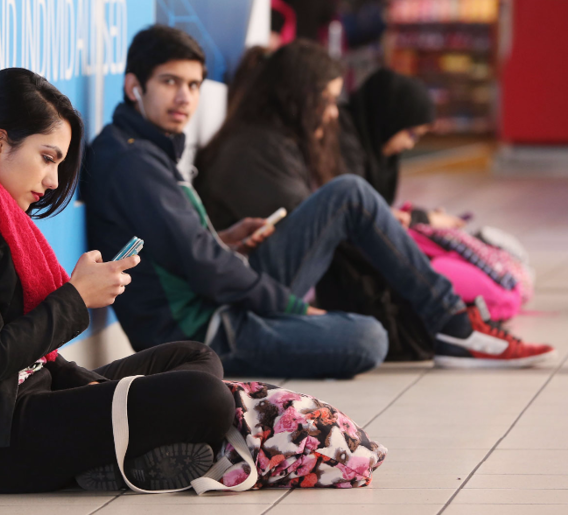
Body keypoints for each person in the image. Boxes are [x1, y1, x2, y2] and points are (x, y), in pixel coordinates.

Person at [83, 27, 555, 379]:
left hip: (218, 299)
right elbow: (202, 266)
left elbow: (183, 249)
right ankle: (454, 326)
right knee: (369, 337)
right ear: (133, 87)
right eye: (170, 82)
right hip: (202, 331)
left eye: (193, 84)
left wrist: (226, 239)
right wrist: (292, 306)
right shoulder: (131, 162)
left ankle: (453, 324)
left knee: (348, 193)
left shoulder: (146, 148)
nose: (184, 97)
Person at [0, 68, 234, 494]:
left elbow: (33, 361)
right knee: (205, 398)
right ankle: (121, 455)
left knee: (195, 357)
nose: (53, 181)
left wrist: (91, 387)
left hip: (26, 398)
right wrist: (77, 298)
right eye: (48, 158)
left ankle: (116, 458)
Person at [338, 67, 465, 229]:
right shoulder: (343, 142)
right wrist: (422, 219)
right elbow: (357, 216)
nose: (409, 144)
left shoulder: (371, 146)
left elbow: (378, 210)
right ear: (390, 117)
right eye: (411, 134)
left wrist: (416, 217)